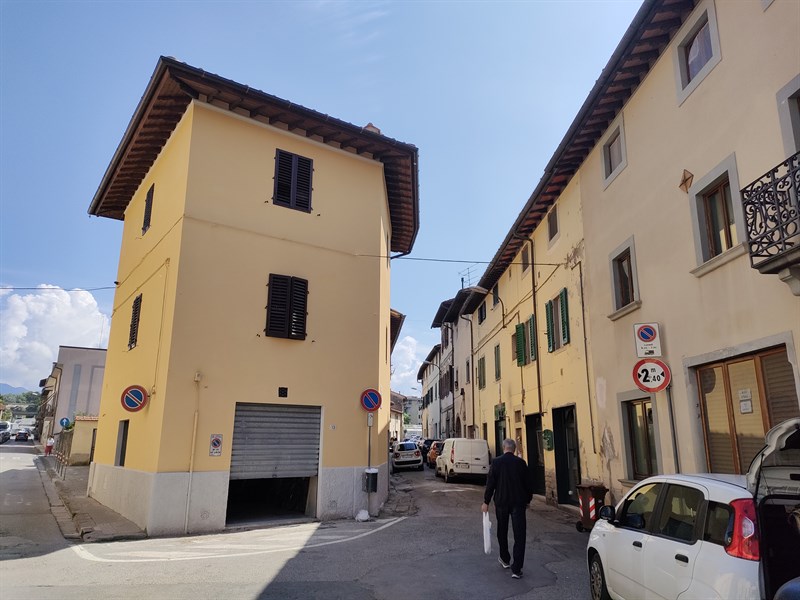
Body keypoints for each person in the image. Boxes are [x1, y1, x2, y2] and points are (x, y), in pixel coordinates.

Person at [481, 438, 534, 579]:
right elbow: (528, 484)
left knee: (502, 530)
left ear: (503, 447)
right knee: (519, 535)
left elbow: (490, 483)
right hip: (518, 502)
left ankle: (505, 559)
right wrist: (528, 500)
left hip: (501, 502)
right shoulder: (521, 463)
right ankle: (517, 569)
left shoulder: (496, 462)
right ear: (514, 449)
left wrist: (486, 501)